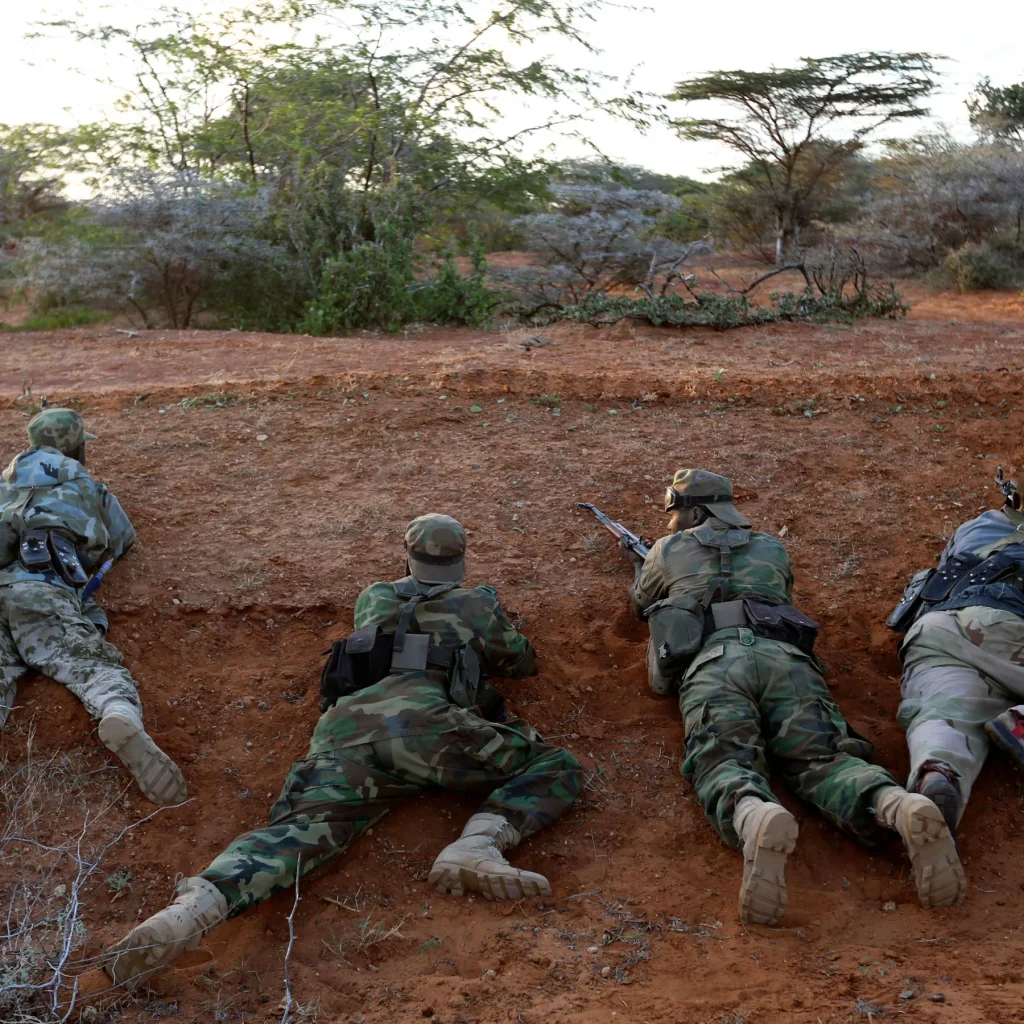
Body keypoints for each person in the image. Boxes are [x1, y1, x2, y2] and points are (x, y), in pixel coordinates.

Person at [105, 513, 582, 988]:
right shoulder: (474, 602)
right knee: (553, 765)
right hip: (431, 727)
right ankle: (478, 844)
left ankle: (194, 907)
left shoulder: (374, 597)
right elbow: (521, 660)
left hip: (343, 732)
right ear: (461, 560)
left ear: (408, 554)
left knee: (299, 832)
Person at [619, 469, 964, 926]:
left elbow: (639, 605)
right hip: (786, 659)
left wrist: (643, 566)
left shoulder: (668, 548)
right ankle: (895, 804)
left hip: (716, 664)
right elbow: (774, 593)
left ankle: (754, 813)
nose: (673, 522)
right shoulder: (771, 547)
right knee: (823, 759)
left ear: (696, 510)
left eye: (677, 512)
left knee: (722, 761)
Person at [0, 408, 185, 805]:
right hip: (41, 591)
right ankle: (117, 711)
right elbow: (122, 538)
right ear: (77, 448)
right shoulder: (86, 485)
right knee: (94, 667)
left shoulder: (4, 484)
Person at [889, 466, 1024, 845]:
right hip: (1013, 630)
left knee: (944, 710)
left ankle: (938, 775)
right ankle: (1020, 720)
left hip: (939, 631)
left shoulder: (978, 526)